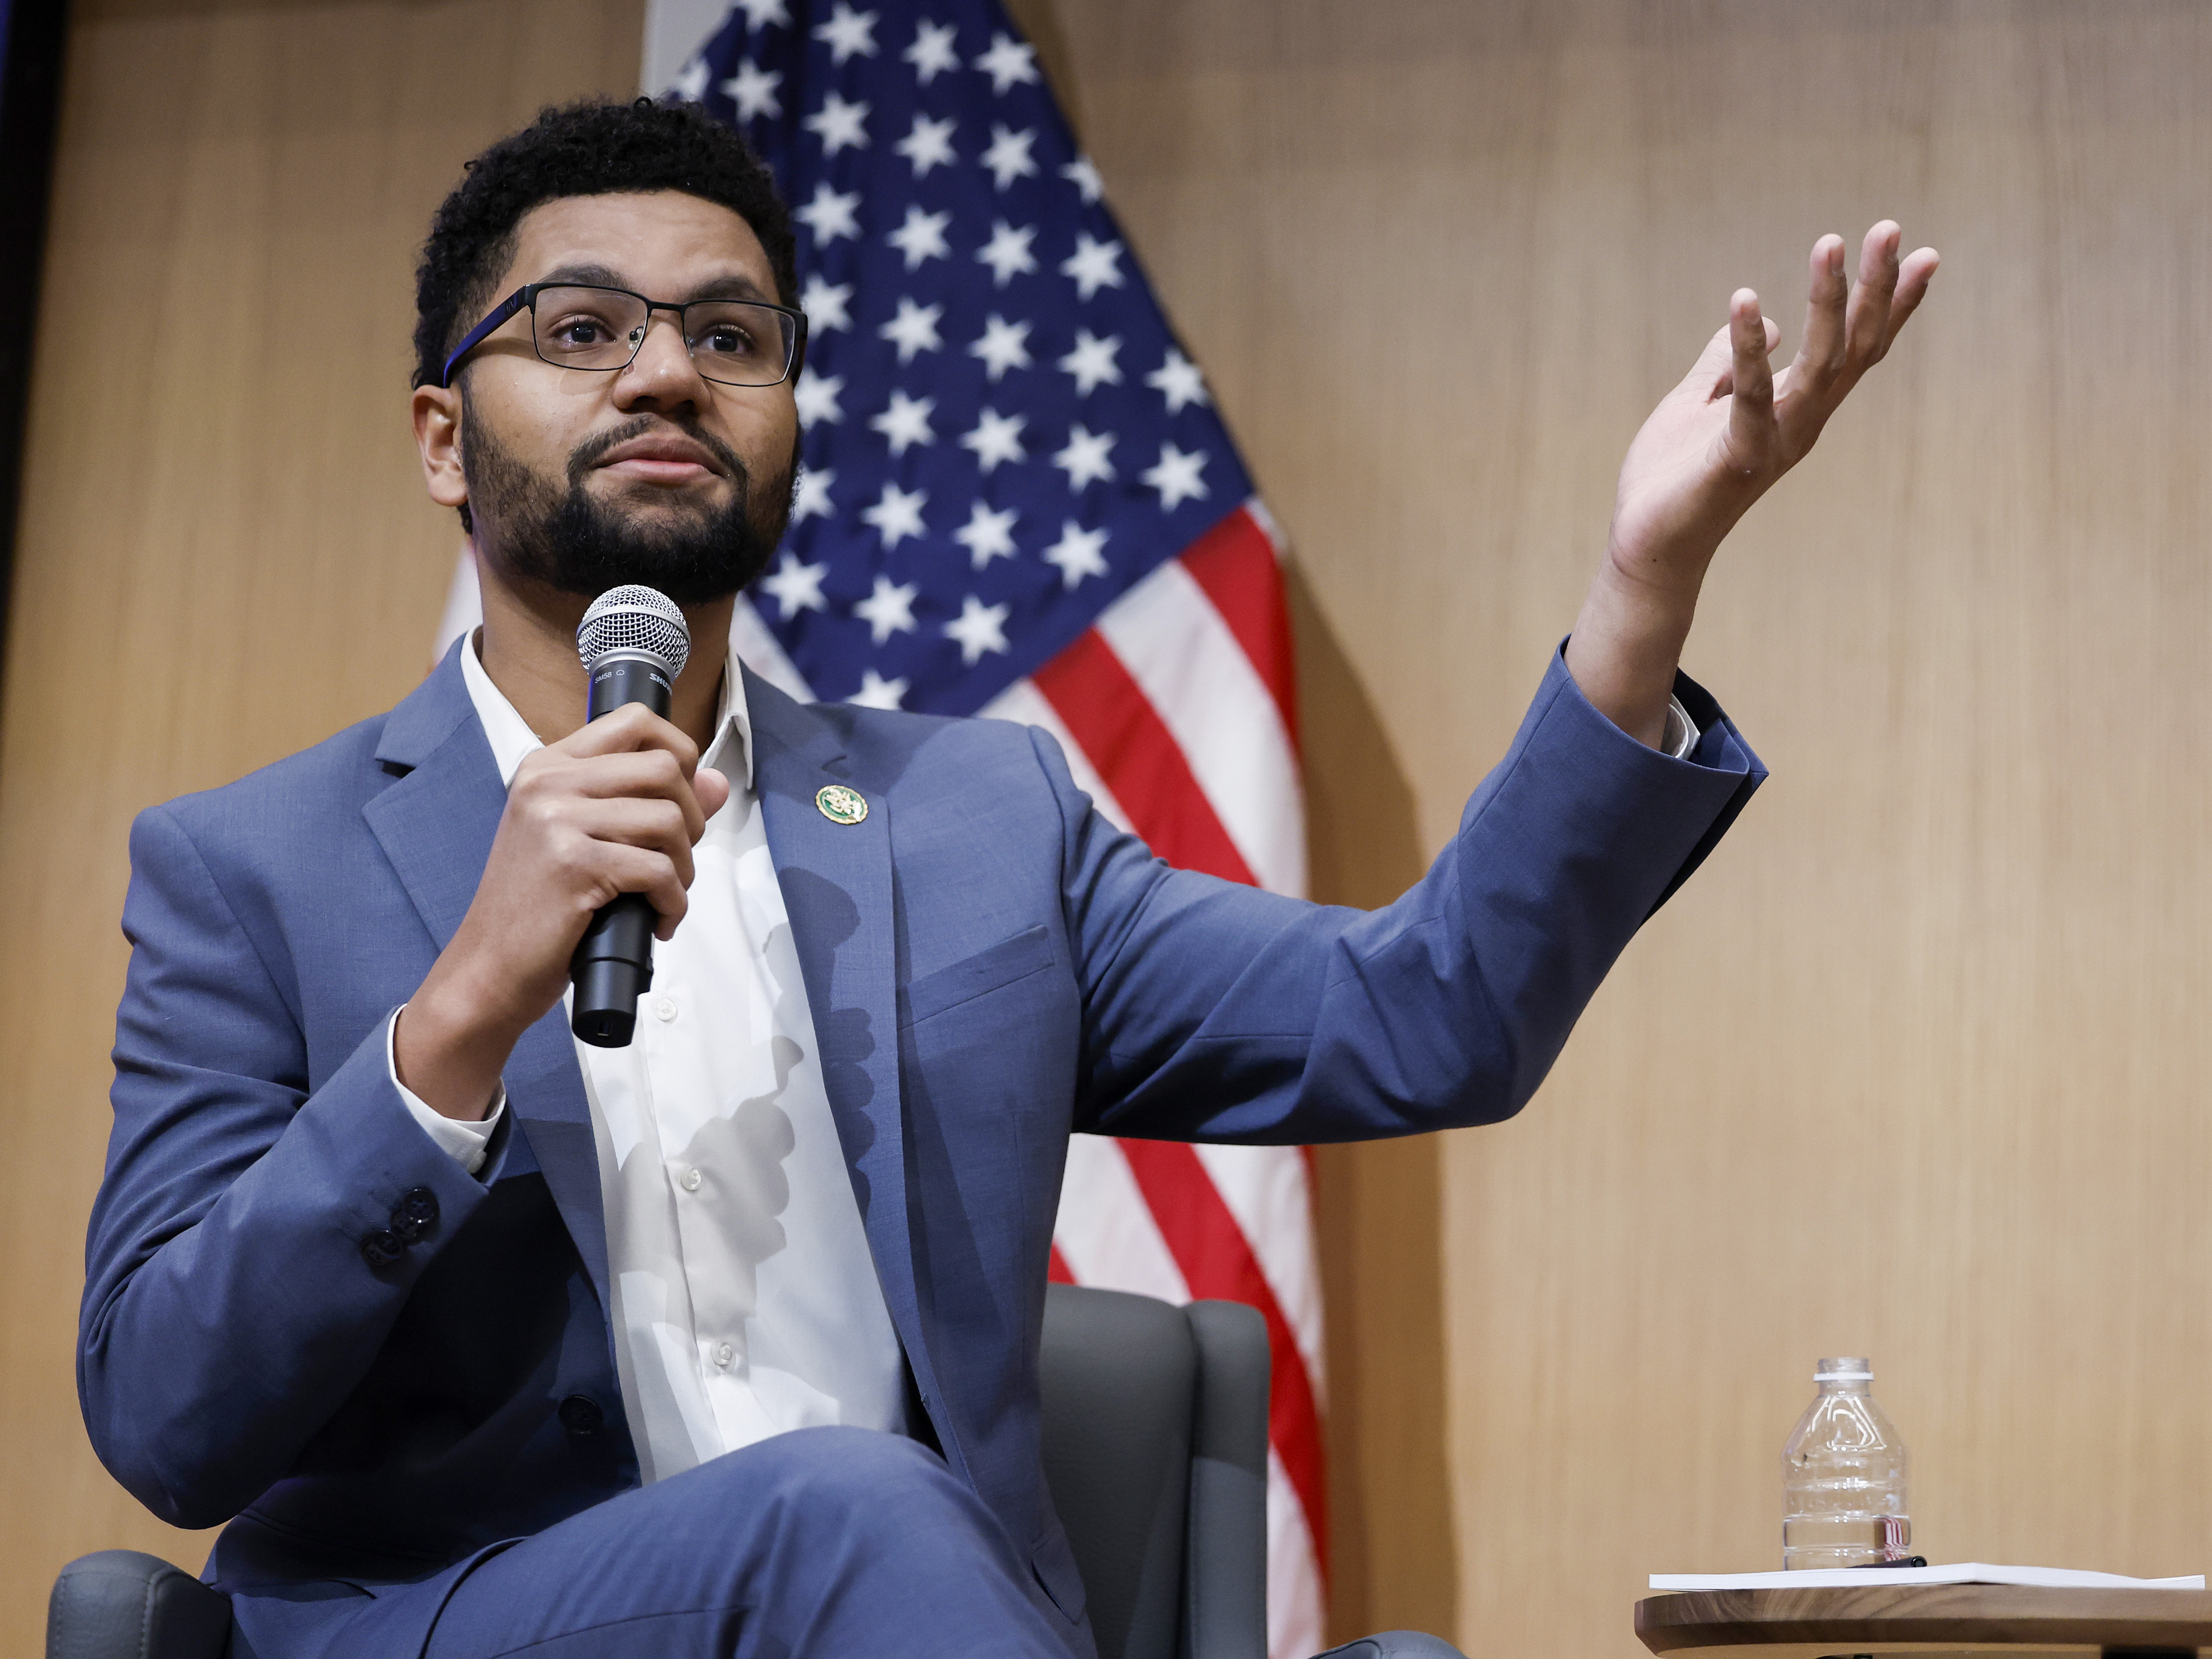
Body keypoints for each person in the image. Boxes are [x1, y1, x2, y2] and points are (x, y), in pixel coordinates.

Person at [80, 98, 1935, 1659]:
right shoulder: (249, 870)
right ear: (442, 436)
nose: (666, 370)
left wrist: (1642, 584)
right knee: (844, 1502)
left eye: (732, 335)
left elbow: (1426, 1016)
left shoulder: (975, 818)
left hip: (913, 1615)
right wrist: (456, 1025)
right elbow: (166, 1418)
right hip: (474, 1624)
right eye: (581, 330)